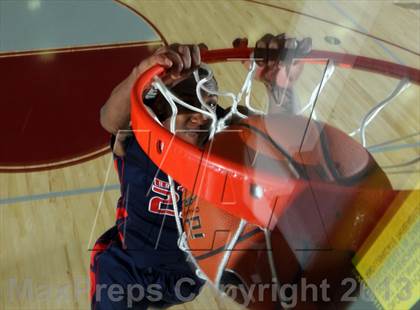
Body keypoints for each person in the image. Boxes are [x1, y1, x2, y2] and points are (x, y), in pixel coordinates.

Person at [90, 34, 311, 309]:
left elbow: (284, 152)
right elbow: (108, 118)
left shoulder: (224, 135)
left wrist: (279, 87)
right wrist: (143, 71)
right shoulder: (138, 136)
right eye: (185, 101)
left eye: (207, 101)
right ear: (160, 106)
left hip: (189, 275)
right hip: (127, 267)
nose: (201, 113)